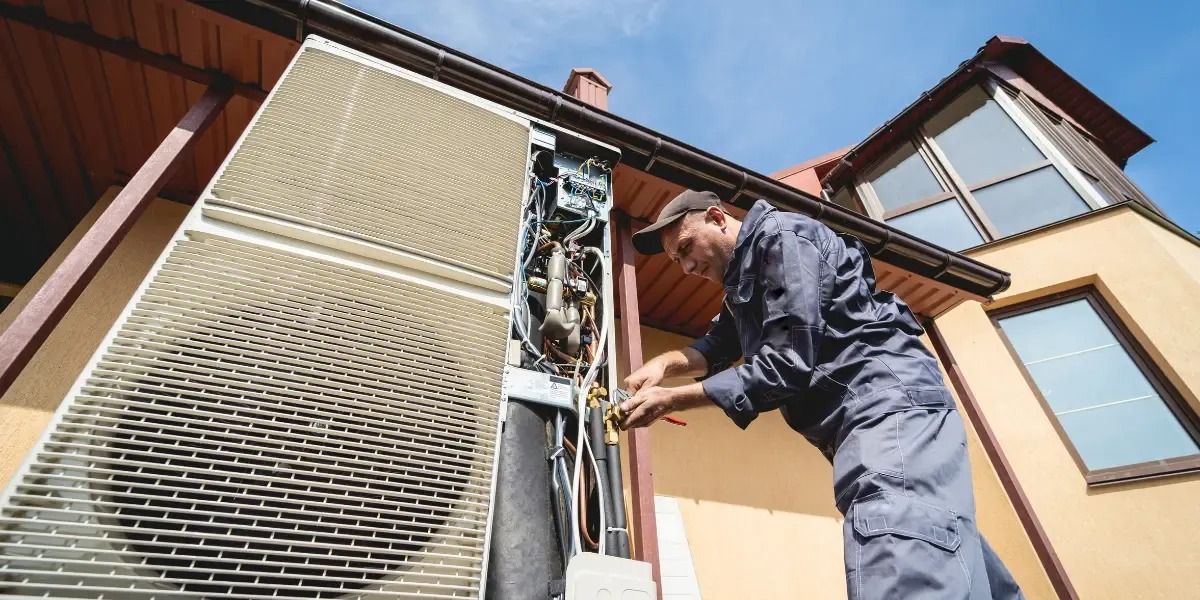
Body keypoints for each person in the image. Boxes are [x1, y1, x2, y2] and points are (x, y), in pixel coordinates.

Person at [619, 190, 1023, 599]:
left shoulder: (782, 238)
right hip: (886, 421)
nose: (686, 266)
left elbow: (788, 363)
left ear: (717, 218)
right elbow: (717, 344)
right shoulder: (746, 282)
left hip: (887, 409)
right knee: (945, 550)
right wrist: (664, 364)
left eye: (686, 247)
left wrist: (671, 399)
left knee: (900, 555)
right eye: (675, 260)